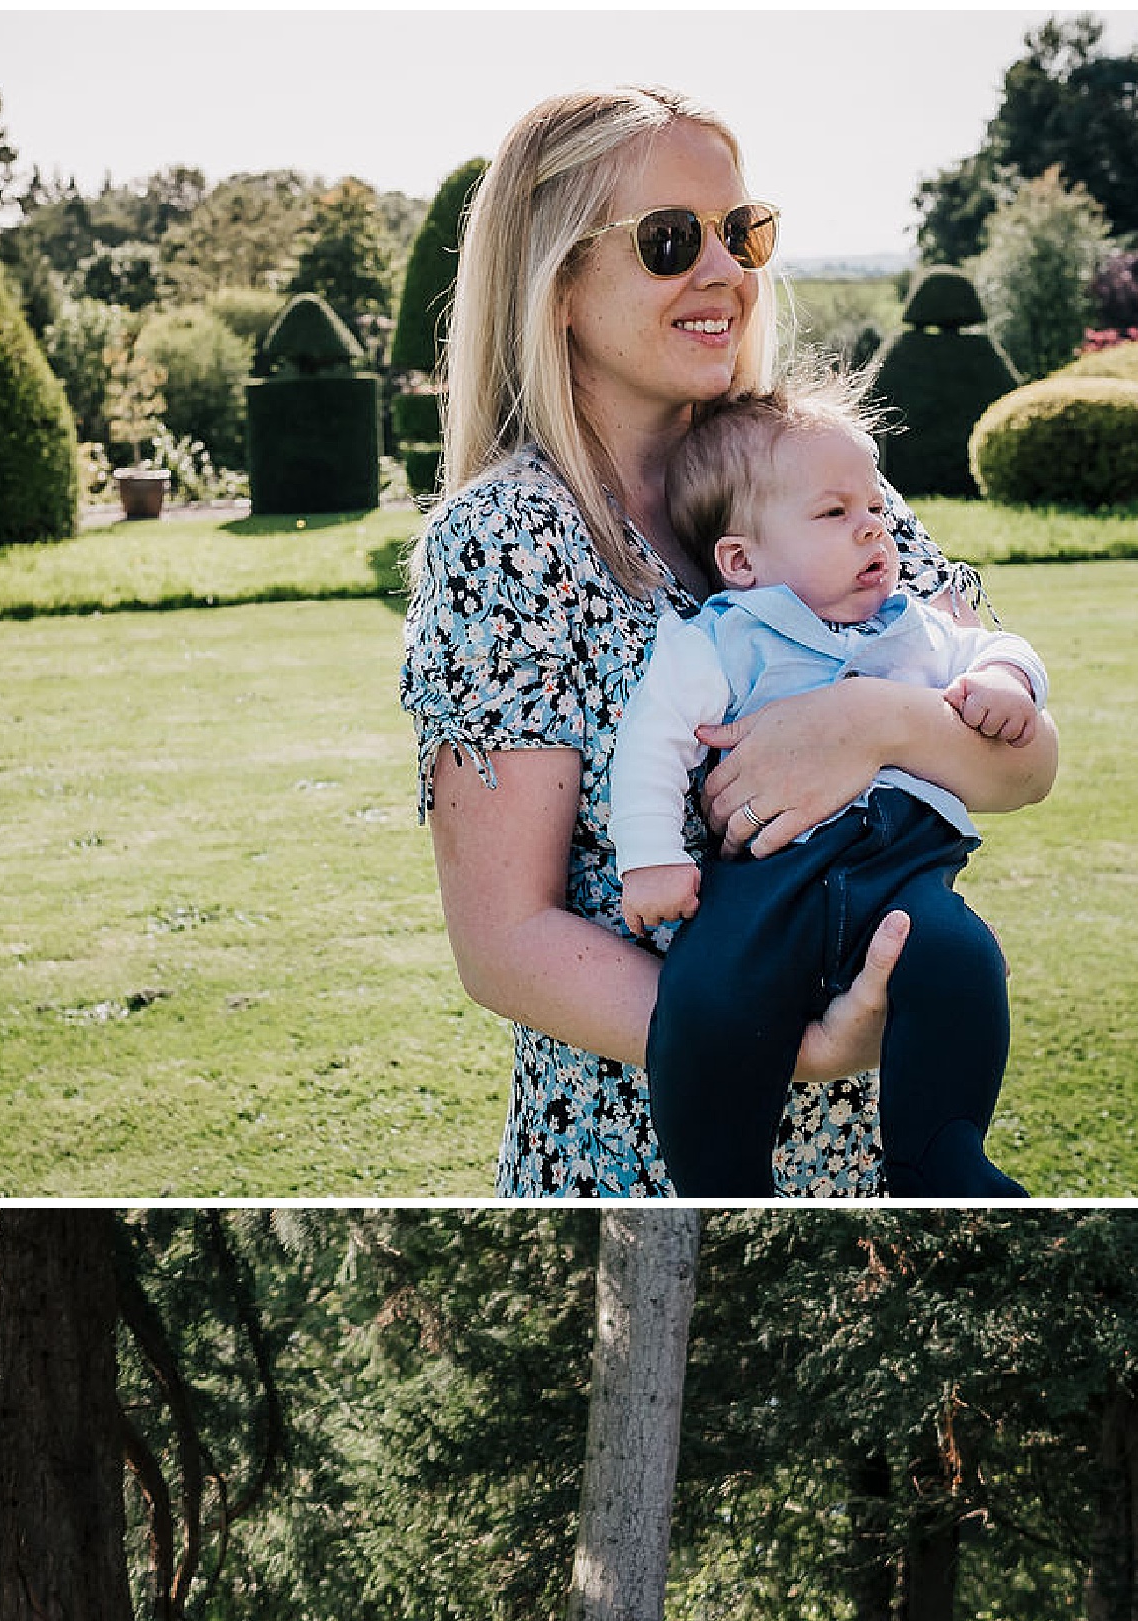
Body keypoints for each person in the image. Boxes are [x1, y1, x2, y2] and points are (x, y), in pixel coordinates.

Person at [400, 85, 1057, 1198]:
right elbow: (505, 941)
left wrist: (873, 722)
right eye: (669, 242)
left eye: (741, 232)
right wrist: (790, 1046)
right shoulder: (512, 537)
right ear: (557, 285)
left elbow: (1025, 764)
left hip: (872, 1163)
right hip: (643, 1168)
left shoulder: (823, 476)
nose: (725, 273)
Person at [610, 374, 1047, 1197]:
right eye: (836, 515)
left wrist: (1007, 682)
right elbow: (652, 741)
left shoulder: (912, 624)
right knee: (709, 999)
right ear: (741, 560)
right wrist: (650, 857)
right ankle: (721, 1181)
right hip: (770, 877)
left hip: (903, 870)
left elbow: (1005, 649)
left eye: (875, 510)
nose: (873, 531)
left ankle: (940, 1157)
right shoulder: (725, 640)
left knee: (959, 962)